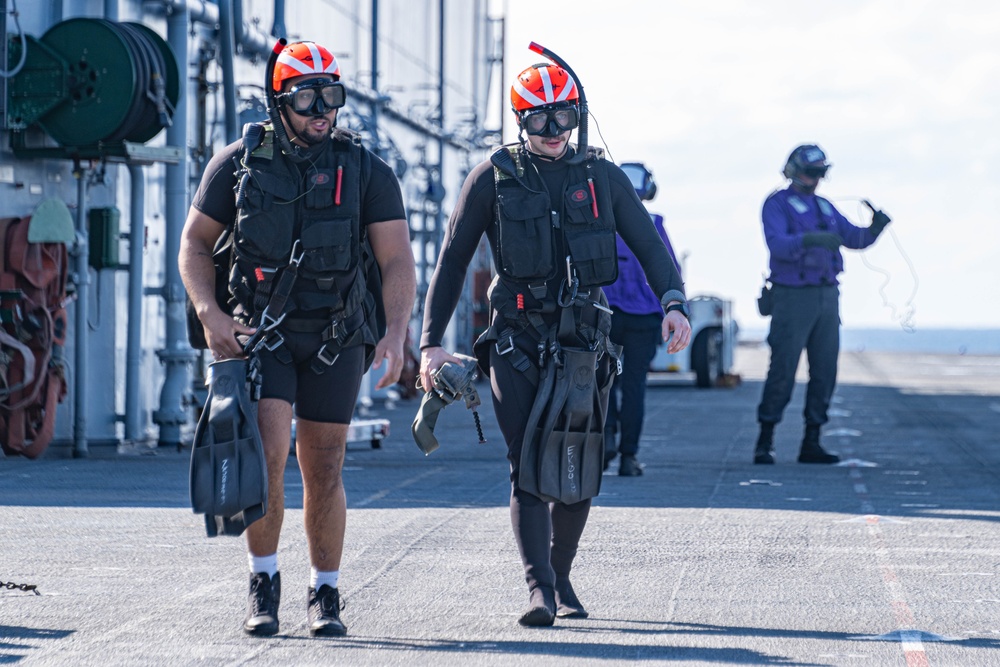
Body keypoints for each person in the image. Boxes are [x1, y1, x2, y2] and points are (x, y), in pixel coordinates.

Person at [418, 50, 691, 627]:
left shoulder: (602, 178)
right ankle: (539, 588)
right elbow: (450, 262)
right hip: (515, 339)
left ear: (578, 116)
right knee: (527, 465)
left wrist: (673, 304)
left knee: (578, 459)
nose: (552, 130)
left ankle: (563, 576)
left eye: (563, 116)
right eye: (539, 119)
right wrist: (430, 343)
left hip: (582, 346)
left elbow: (650, 247)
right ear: (520, 120)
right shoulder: (491, 179)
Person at [179, 40, 416, 637]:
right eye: (307, 97)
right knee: (269, 457)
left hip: (337, 338)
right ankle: (263, 582)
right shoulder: (236, 163)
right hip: (263, 336)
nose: (322, 109)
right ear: (279, 102)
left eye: (330, 96)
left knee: (326, 466)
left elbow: (396, 261)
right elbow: (194, 244)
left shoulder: (367, 170)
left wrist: (394, 334)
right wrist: (210, 313)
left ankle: (325, 593)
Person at [754, 144, 891, 465]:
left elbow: (853, 239)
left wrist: (875, 228)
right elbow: (777, 245)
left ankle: (811, 441)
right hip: (792, 296)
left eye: (819, 173)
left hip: (827, 297)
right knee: (783, 370)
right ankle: (765, 440)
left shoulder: (826, 208)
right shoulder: (777, 205)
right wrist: (810, 240)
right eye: (810, 172)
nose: (815, 179)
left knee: (825, 370)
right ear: (792, 170)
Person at [603, 163, 685, 476]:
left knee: (603, 381)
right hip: (644, 318)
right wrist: (677, 310)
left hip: (605, 316)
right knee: (635, 385)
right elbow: (669, 270)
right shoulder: (653, 223)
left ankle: (607, 437)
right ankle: (629, 457)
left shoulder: (601, 222)